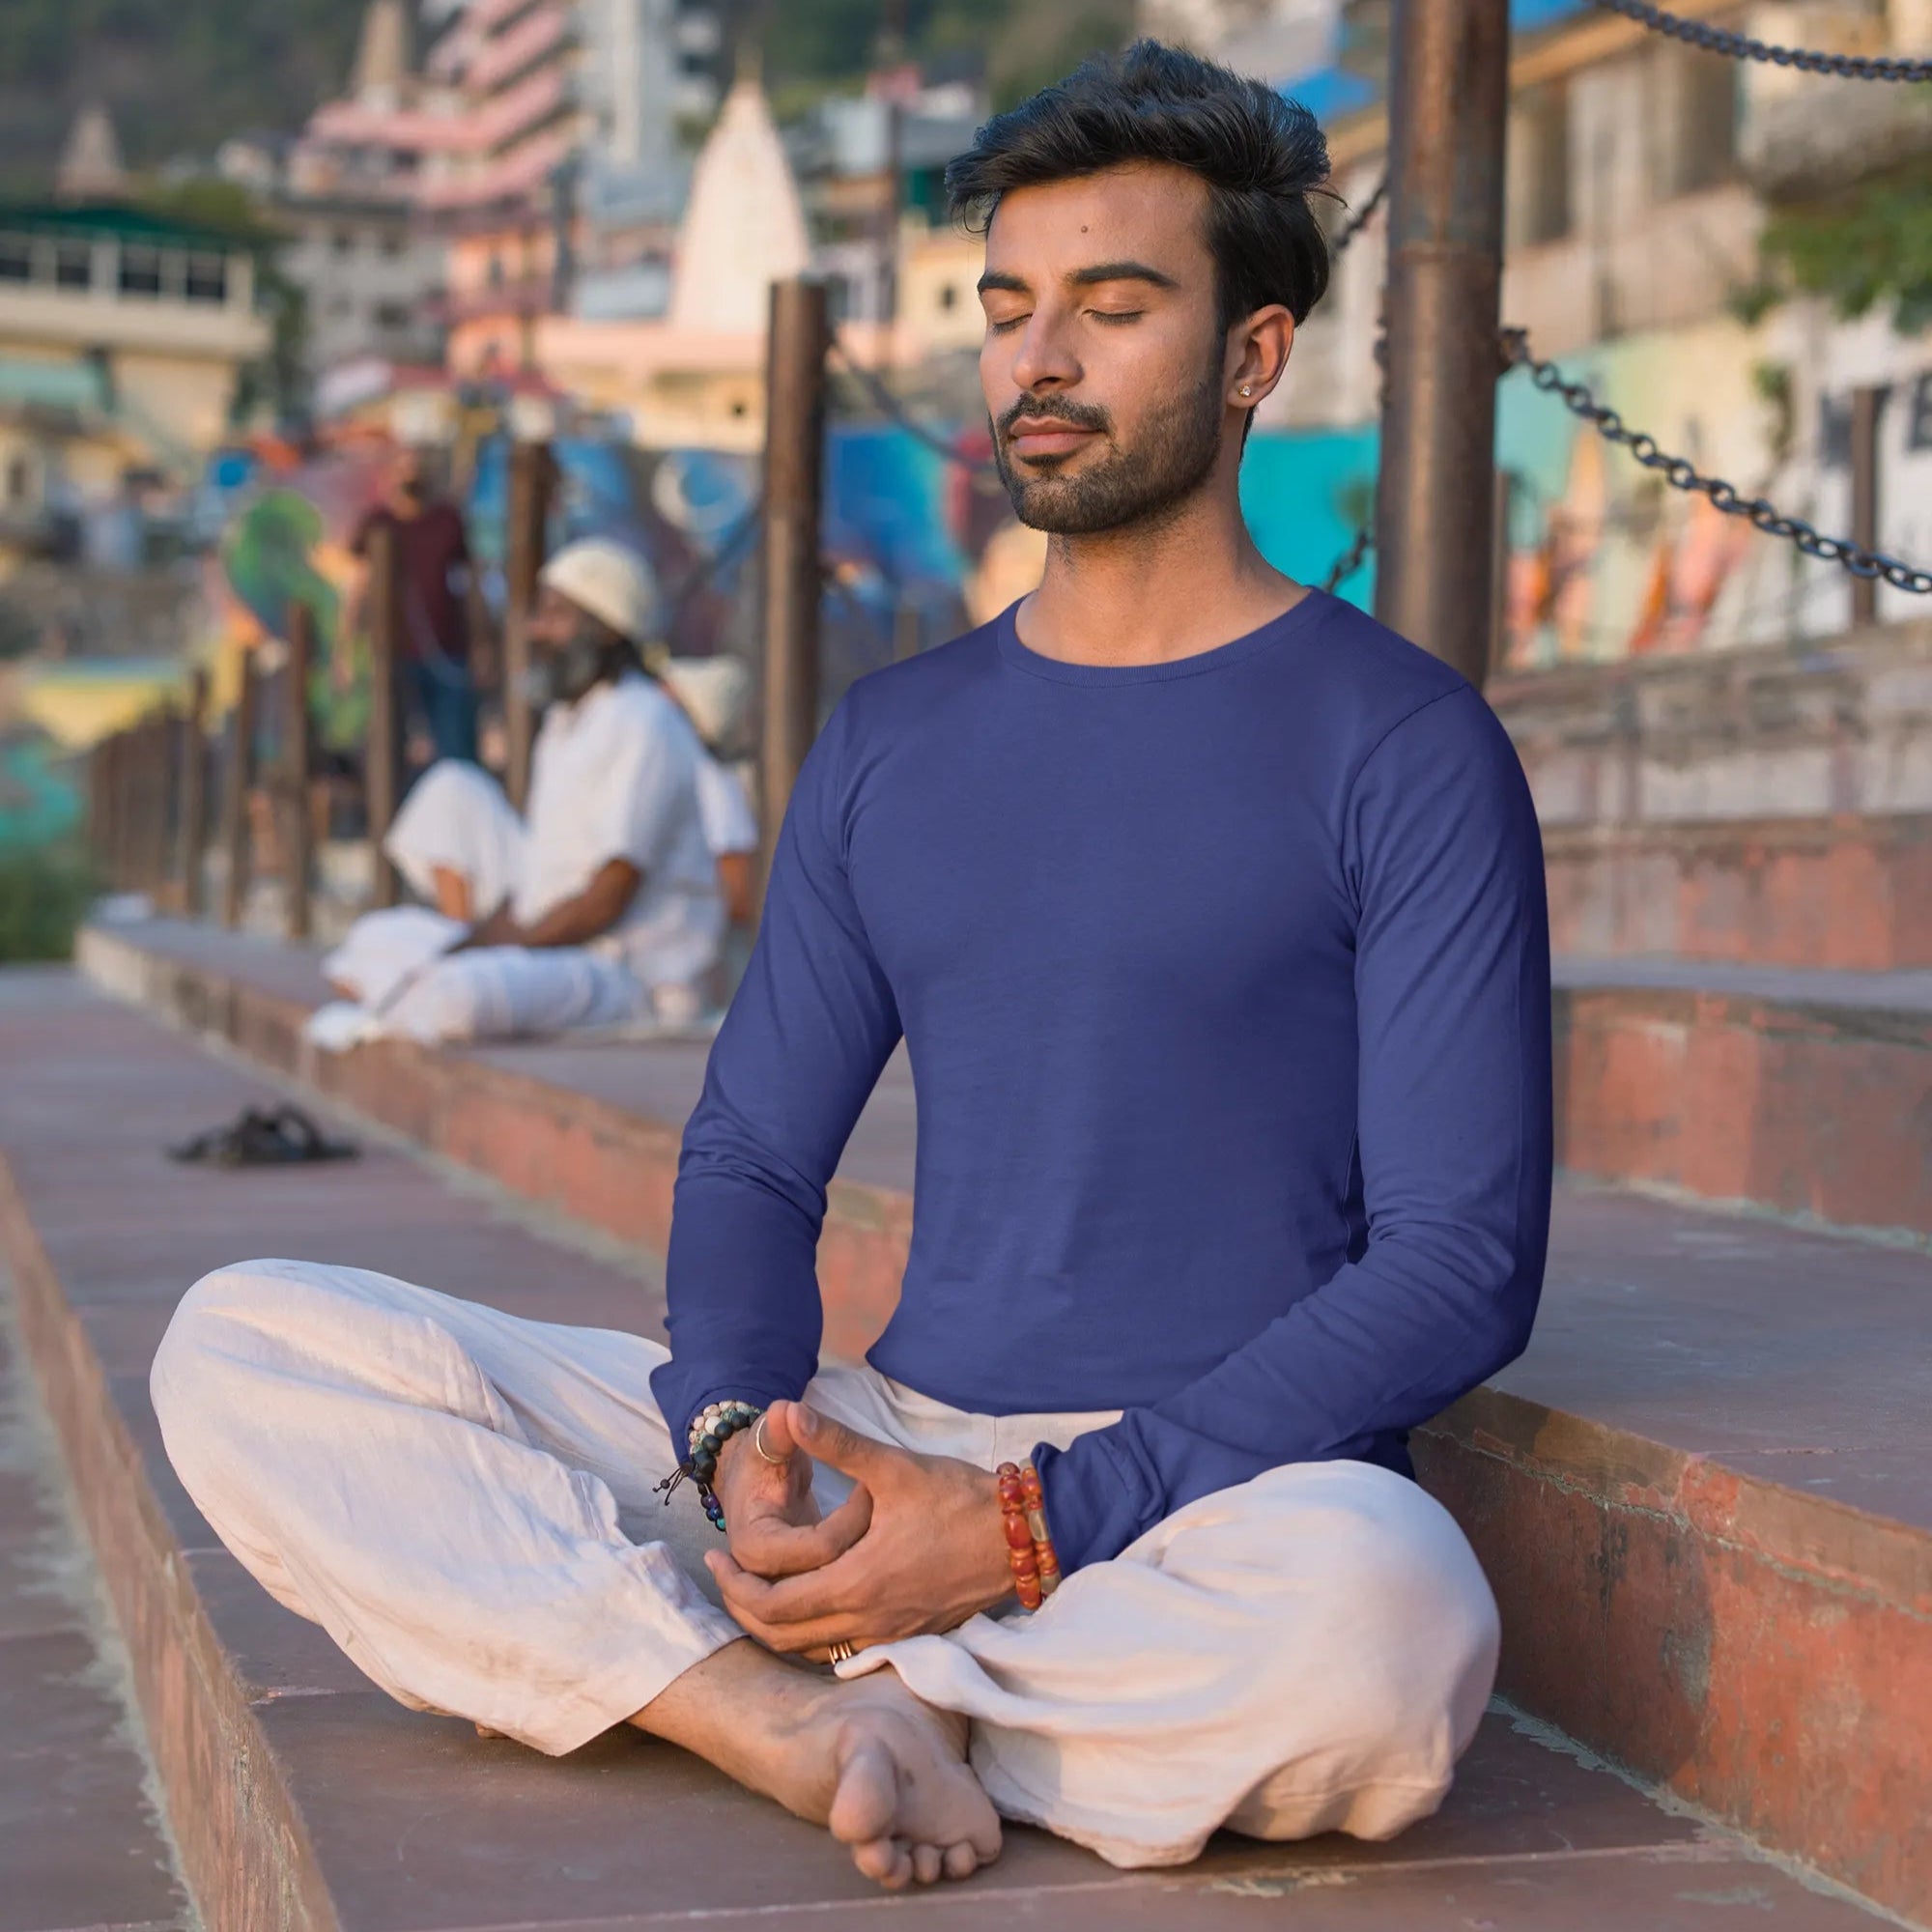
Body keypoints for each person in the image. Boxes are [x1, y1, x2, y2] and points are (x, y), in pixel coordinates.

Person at [151, 42, 1552, 1896]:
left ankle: (849, 1679)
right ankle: (802, 1716)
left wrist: (1034, 1526)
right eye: (1008, 309)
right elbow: (748, 1156)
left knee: (1394, 1637)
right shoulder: (897, 741)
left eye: (1112, 309)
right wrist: (742, 1439)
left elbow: (1461, 1262)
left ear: (1255, 353)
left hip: (1207, 1496)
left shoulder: (1403, 743)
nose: (1037, 362)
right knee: (241, 1347)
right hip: (881, 1440)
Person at [316, 537, 725, 1041]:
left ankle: (416, 997)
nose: (534, 631)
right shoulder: (564, 723)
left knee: (456, 997)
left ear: (604, 629)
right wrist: (472, 947)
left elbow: (612, 892)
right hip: (552, 947)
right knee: (367, 942)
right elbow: (538, 882)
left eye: (555, 616)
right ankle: (414, 994)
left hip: (625, 970)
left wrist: (501, 952)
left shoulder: (645, 720)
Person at [342, 444, 489, 766]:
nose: (411, 474)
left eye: (417, 467)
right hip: (393, 657)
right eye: (404, 467)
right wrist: (346, 651)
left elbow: (471, 586)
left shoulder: (448, 521)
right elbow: (357, 589)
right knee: (392, 750)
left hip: (446, 652)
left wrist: (480, 643)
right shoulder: (377, 524)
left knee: (454, 748)